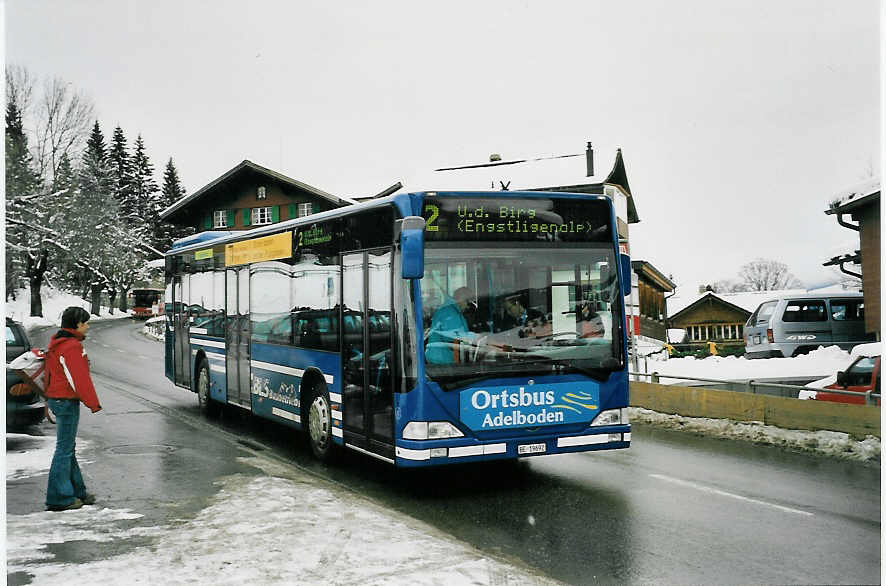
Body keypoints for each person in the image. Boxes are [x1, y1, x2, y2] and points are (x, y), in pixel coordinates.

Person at [44, 306, 102, 512]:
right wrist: (93, 403)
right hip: (66, 401)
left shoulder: (58, 342)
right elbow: (79, 379)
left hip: (56, 399)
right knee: (64, 449)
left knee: (68, 448)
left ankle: (77, 491)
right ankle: (59, 497)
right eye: (85, 323)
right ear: (77, 324)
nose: (87, 327)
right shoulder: (72, 346)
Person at [425, 287, 476, 364]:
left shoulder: (452, 310)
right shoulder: (450, 312)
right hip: (442, 360)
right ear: (462, 300)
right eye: (468, 302)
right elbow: (453, 338)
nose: (468, 307)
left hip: (441, 357)